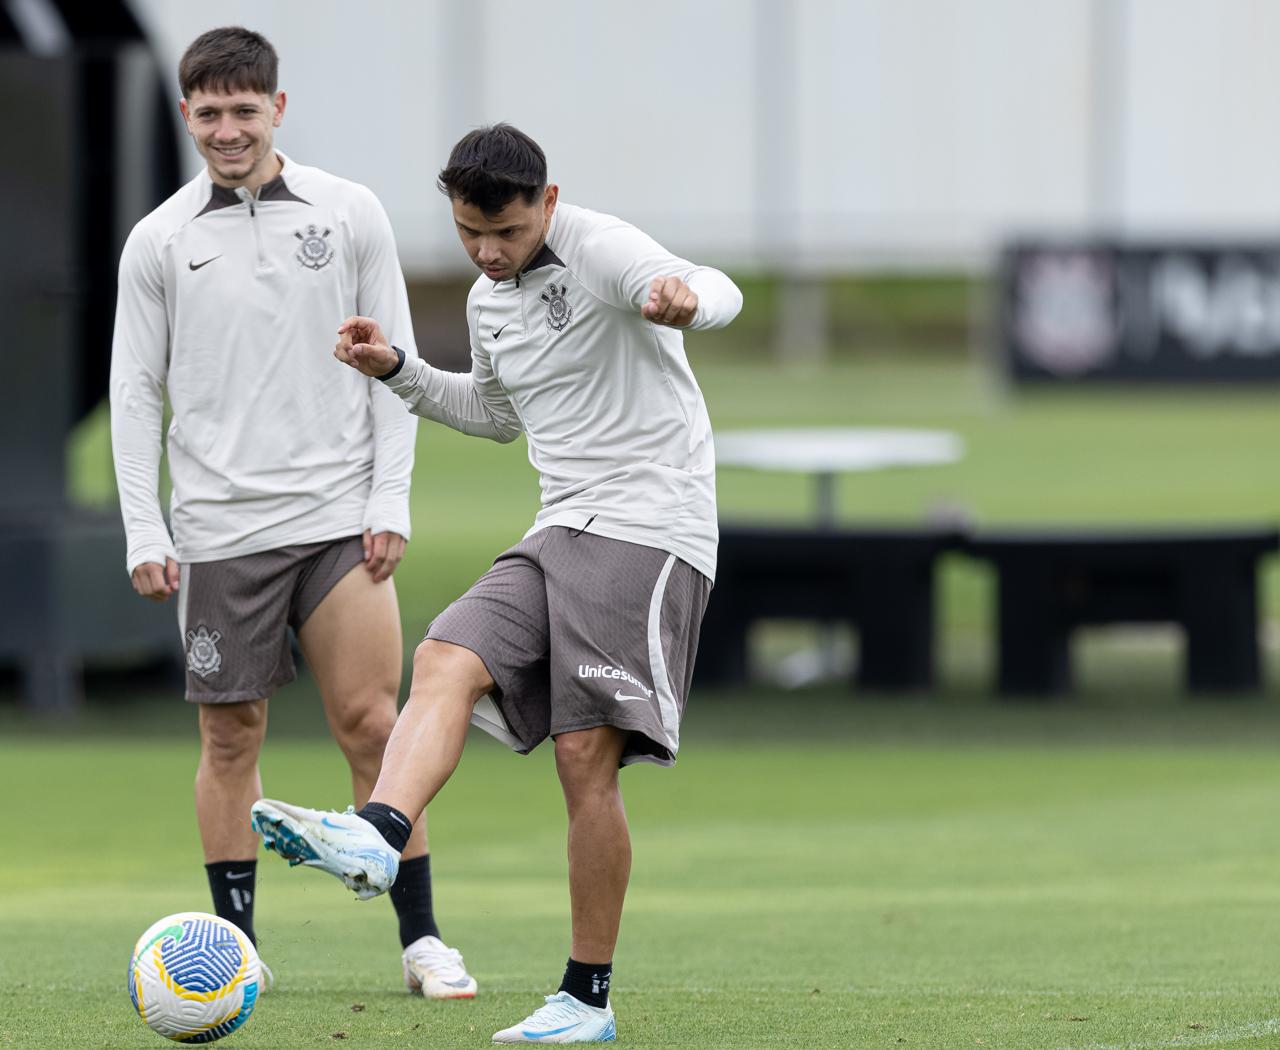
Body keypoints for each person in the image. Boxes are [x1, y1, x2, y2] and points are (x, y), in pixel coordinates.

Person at [251, 123, 742, 1043]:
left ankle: (584, 999)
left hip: (648, 524)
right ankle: (379, 834)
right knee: (443, 654)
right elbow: (494, 414)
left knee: (582, 756)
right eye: (469, 231)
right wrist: (397, 369)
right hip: (560, 524)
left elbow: (718, 288)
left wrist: (686, 300)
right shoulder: (489, 300)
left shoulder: (599, 247)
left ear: (546, 204)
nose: (487, 251)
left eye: (507, 231)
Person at [109, 25, 475, 1000]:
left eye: (245, 109)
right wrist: (146, 529)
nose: (228, 128)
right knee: (231, 740)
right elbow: (135, 391)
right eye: (210, 112)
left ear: (278, 107)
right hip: (220, 531)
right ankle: (235, 949)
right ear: (186, 115)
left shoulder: (349, 214)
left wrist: (389, 501)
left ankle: (421, 942)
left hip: (336, 522)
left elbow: (393, 361)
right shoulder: (159, 239)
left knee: (372, 723)